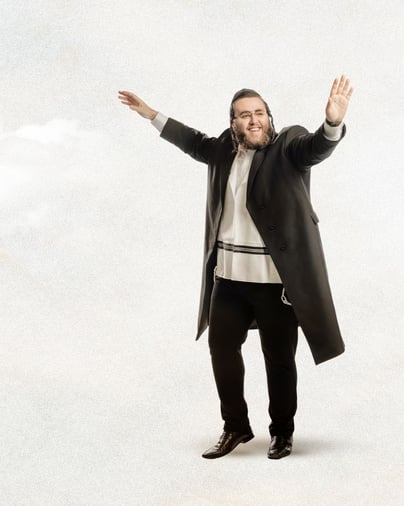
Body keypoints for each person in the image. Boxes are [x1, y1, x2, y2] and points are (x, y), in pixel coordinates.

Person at [117, 76, 353, 460]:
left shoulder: (287, 147)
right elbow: (192, 141)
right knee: (221, 349)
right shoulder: (224, 151)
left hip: (274, 285)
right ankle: (236, 427)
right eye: (245, 115)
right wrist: (150, 114)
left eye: (260, 113)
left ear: (270, 117)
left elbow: (315, 148)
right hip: (228, 281)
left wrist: (332, 124)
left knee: (279, 361)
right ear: (234, 123)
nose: (254, 120)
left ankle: (282, 432)